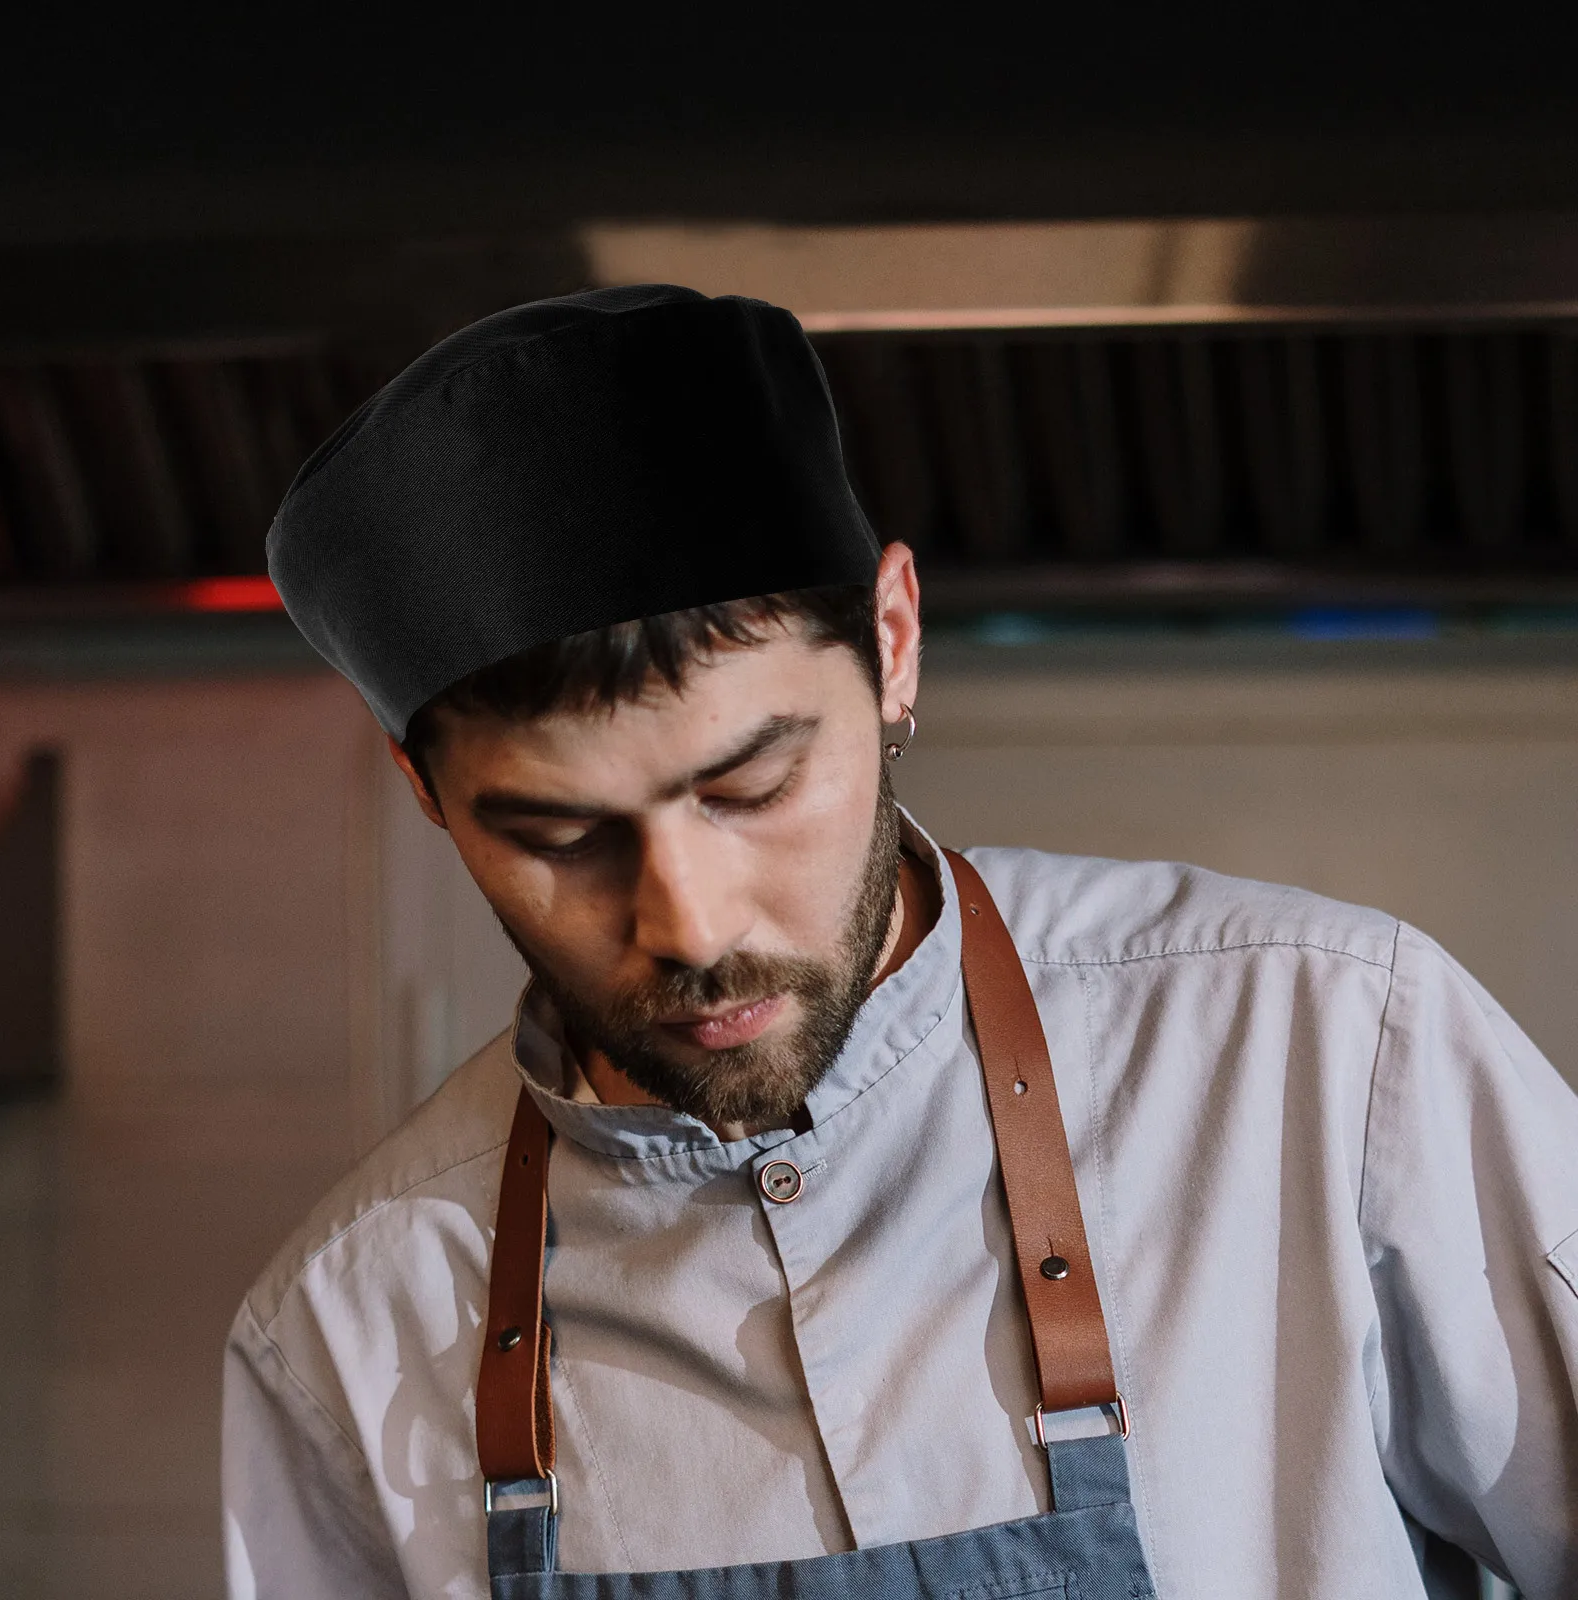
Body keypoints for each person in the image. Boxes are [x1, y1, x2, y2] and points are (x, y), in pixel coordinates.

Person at [223, 285, 1578, 1600]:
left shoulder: (1327, 1051)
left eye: (752, 789)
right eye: (559, 838)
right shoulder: (351, 1323)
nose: (691, 924)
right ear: (426, 795)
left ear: (893, 638)